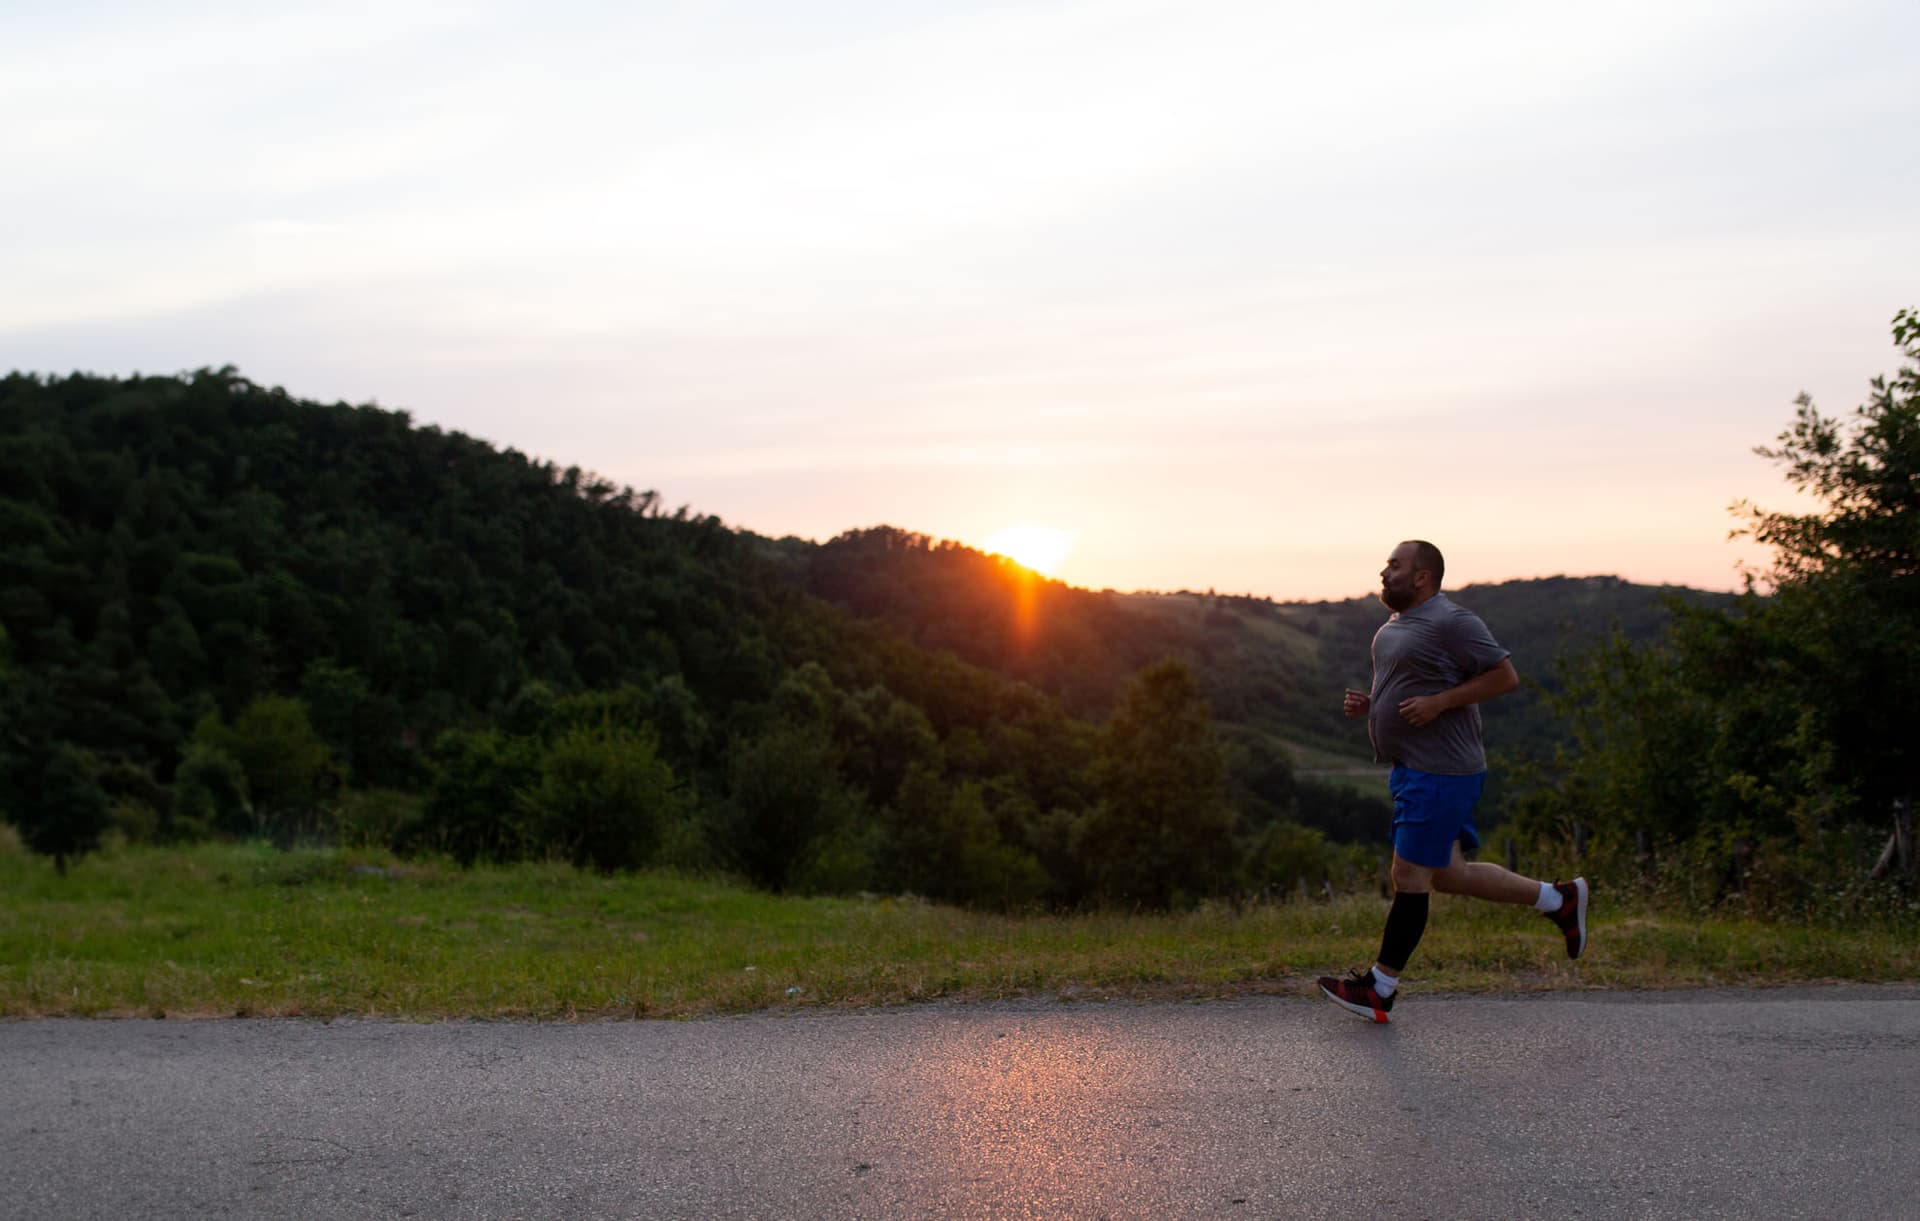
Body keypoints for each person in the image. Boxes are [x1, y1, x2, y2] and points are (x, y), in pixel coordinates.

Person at [1317, 540, 1588, 1023]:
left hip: (1441, 770)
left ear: (1422, 577)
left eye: (1395, 565)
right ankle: (1559, 899)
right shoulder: (1396, 624)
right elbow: (1405, 685)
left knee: (1409, 876)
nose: (1384, 571)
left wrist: (1442, 702)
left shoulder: (1452, 621)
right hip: (1413, 767)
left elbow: (1505, 677)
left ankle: (1380, 988)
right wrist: (1372, 706)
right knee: (1450, 875)